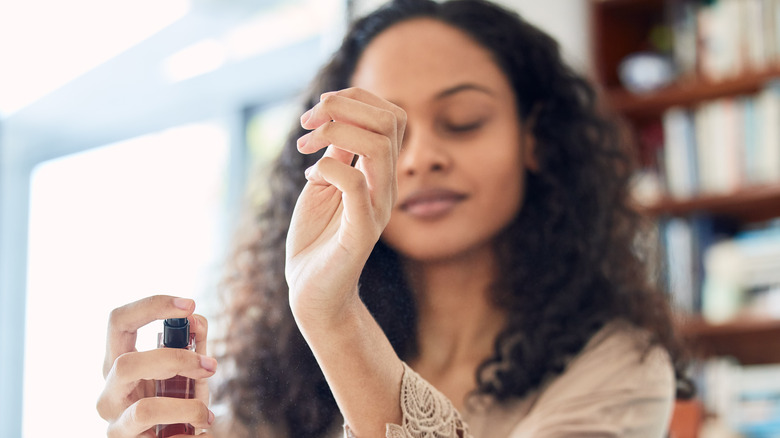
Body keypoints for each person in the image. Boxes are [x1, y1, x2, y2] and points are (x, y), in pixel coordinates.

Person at [97, 0, 692, 437]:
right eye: (387, 133)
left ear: (534, 138)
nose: (421, 157)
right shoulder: (286, 377)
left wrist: (335, 317)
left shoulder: (616, 369)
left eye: (463, 121)